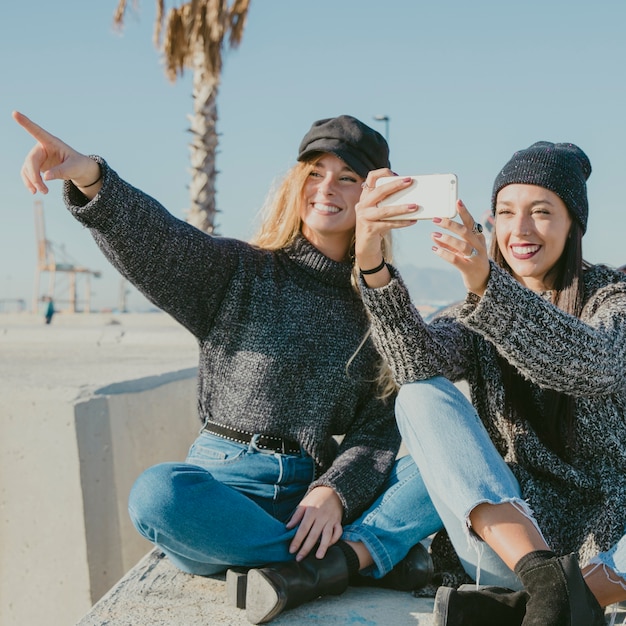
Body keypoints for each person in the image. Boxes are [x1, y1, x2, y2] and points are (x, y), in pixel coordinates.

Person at [14, 111, 439, 624]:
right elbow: (158, 241)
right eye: (315, 173)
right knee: (157, 494)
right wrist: (89, 177)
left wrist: (335, 492)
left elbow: (377, 429)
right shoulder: (242, 271)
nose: (327, 188)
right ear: (296, 183)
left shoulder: (378, 303)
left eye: (348, 177)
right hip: (221, 492)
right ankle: (354, 561)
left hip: (312, 498)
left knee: (442, 463)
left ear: (374, 198)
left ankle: (316, 563)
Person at [353, 141, 626, 625]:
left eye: (541, 211)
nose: (520, 229)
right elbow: (413, 359)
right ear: (491, 221)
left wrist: (488, 287)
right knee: (418, 395)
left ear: (572, 224)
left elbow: (595, 365)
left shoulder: (613, 301)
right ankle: (550, 591)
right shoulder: (480, 308)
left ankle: (550, 605)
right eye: (506, 212)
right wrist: (371, 262)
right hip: (513, 550)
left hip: (607, 547)